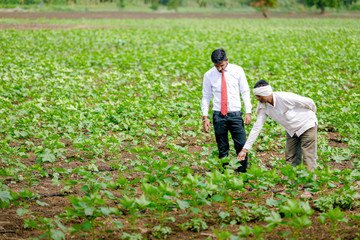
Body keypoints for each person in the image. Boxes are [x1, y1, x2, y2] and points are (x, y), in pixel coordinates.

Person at [237, 80, 318, 198]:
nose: (257, 99)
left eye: (259, 96)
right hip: (291, 130)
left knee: (308, 156)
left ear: (266, 93)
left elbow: (309, 102)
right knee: (290, 158)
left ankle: (309, 189)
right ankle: (290, 187)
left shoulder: (285, 97)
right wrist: (245, 149)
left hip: (307, 125)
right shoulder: (264, 107)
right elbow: (257, 127)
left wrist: (311, 116)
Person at [201, 49, 252, 173]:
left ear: (227, 61)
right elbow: (206, 96)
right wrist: (205, 117)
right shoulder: (209, 75)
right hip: (219, 115)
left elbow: (245, 91)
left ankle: (242, 173)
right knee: (222, 147)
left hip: (235, 114)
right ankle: (223, 175)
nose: (219, 69)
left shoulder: (238, 71)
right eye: (216, 66)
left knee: (241, 145)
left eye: (221, 65)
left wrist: (248, 111)